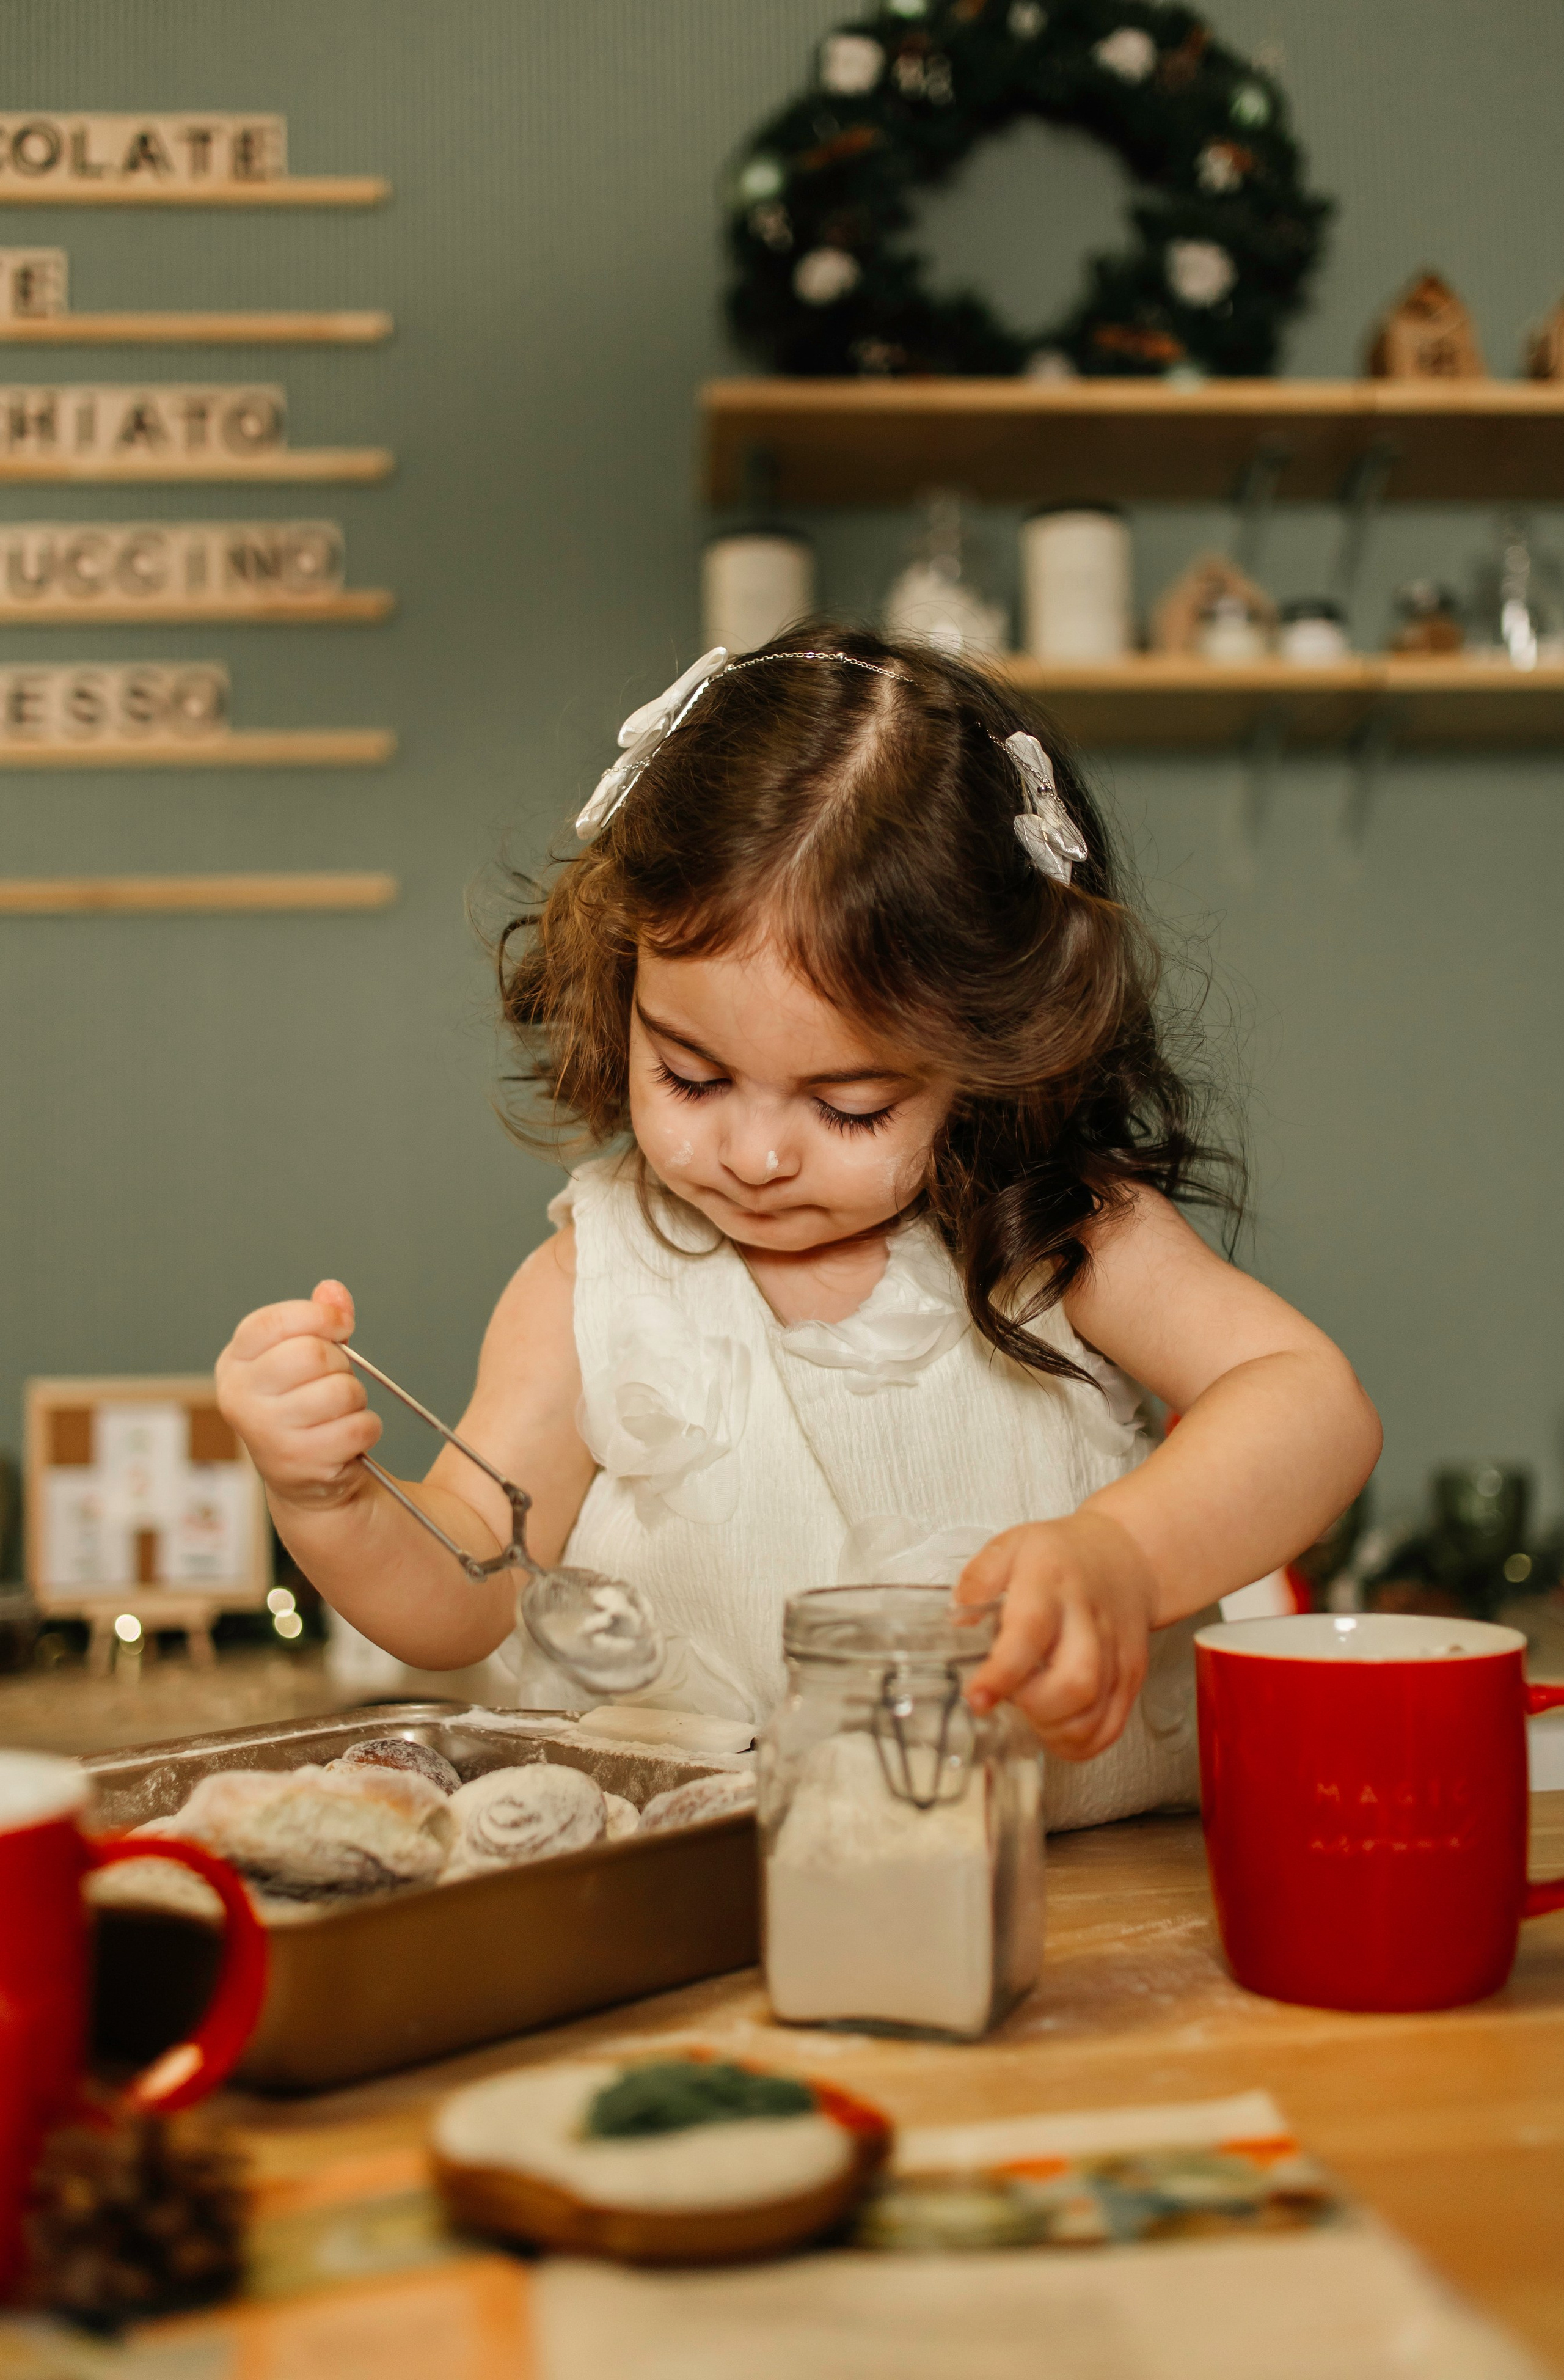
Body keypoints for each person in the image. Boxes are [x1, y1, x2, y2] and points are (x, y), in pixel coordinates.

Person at [217, 628, 1380, 1828]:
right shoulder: (593, 1279)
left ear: (987, 1050)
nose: (757, 1155)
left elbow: (1312, 1403)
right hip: (710, 1905)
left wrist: (1125, 1555)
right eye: (691, 1076)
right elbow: (471, 1581)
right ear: (625, 985)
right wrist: (333, 1503)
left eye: (849, 1105)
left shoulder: (1059, 1232)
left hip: (1078, 1892)